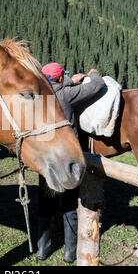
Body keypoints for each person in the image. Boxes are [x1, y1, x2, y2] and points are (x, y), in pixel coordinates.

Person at [37, 62, 106, 263]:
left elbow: (56, 84)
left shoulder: (39, 97)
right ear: (60, 79)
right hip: (66, 159)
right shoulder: (67, 94)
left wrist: (68, 80)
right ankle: (69, 252)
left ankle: (43, 249)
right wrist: (93, 73)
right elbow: (96, 86)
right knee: (68, 203)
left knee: (45, 202)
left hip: (44, 158)